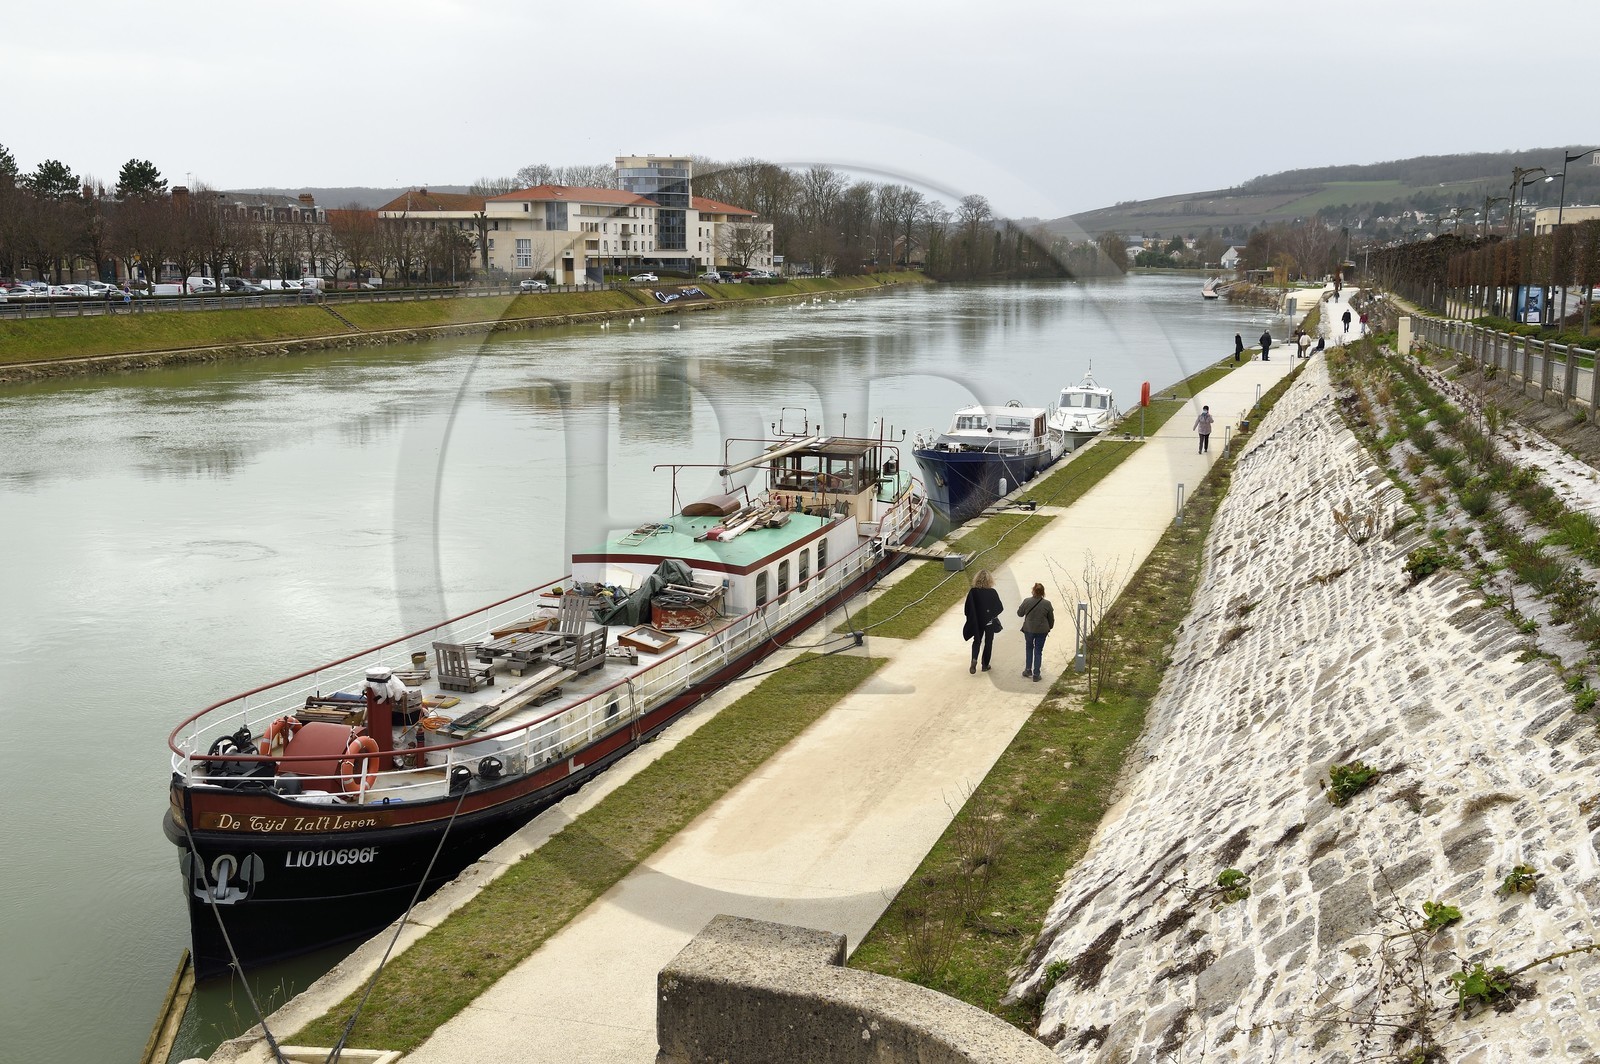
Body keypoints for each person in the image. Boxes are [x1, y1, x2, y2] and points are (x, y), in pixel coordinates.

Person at [962, 569, 1004, 674]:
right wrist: (991, 615)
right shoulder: (992, 592)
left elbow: (967, 608)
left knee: (977, 641)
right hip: (989, 622)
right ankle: (985, 665)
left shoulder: (973, 592)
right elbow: (999, 607)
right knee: (988, 642)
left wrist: (971, 618)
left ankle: (974, 659)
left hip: (977, 622)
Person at [1017, 582, 1055, 682]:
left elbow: (1019, 614)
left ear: (1033, 591)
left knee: (1029, 648)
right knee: (1038, 651)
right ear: (1043, 592)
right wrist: (1049, 627)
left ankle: (1028, 669)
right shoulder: (1047, 603)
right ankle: (1036, 674)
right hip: (1042, 630)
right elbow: (1051, 618)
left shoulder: (1027, 601)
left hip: (1028, 629)